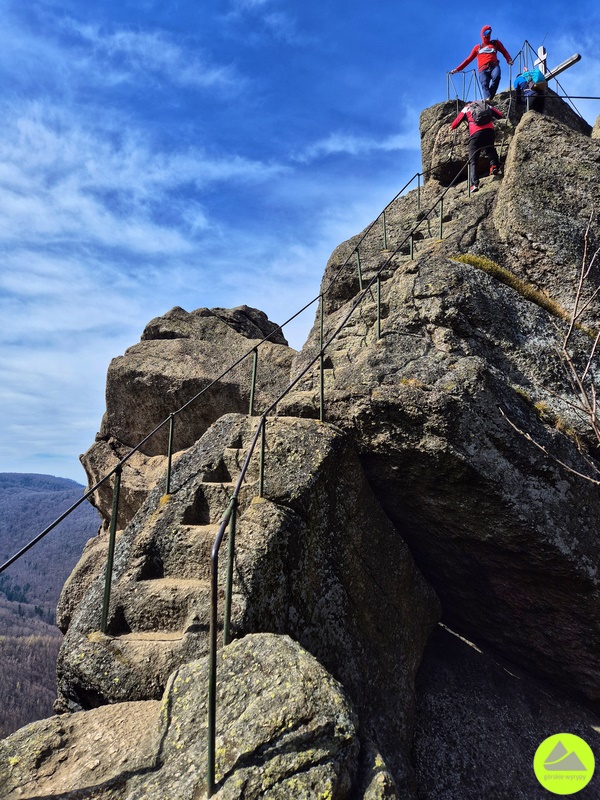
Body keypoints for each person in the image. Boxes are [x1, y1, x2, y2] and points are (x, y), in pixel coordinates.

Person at [450, 100, 504, 192]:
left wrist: (452, 126)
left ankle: (474, 184)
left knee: (473, 160)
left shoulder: (466, 108)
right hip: (489, 131)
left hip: (475, 133)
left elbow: (455, 124)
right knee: (490, 148)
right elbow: (500, 114)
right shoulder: (484, 105)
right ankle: (494, 166)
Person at [451, 25, 513, 101]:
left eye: (489, 33)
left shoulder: (495, 43)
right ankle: (488, 99)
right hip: (483, 69)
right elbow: (468, 60)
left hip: (494, 66)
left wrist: (509, 59)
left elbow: (504, 51)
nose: (488, 35)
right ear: (482, 34)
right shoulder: (477, 48)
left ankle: (489, 98)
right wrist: (457, 69)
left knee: (497, 77)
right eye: (486, 33)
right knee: (484, 84)